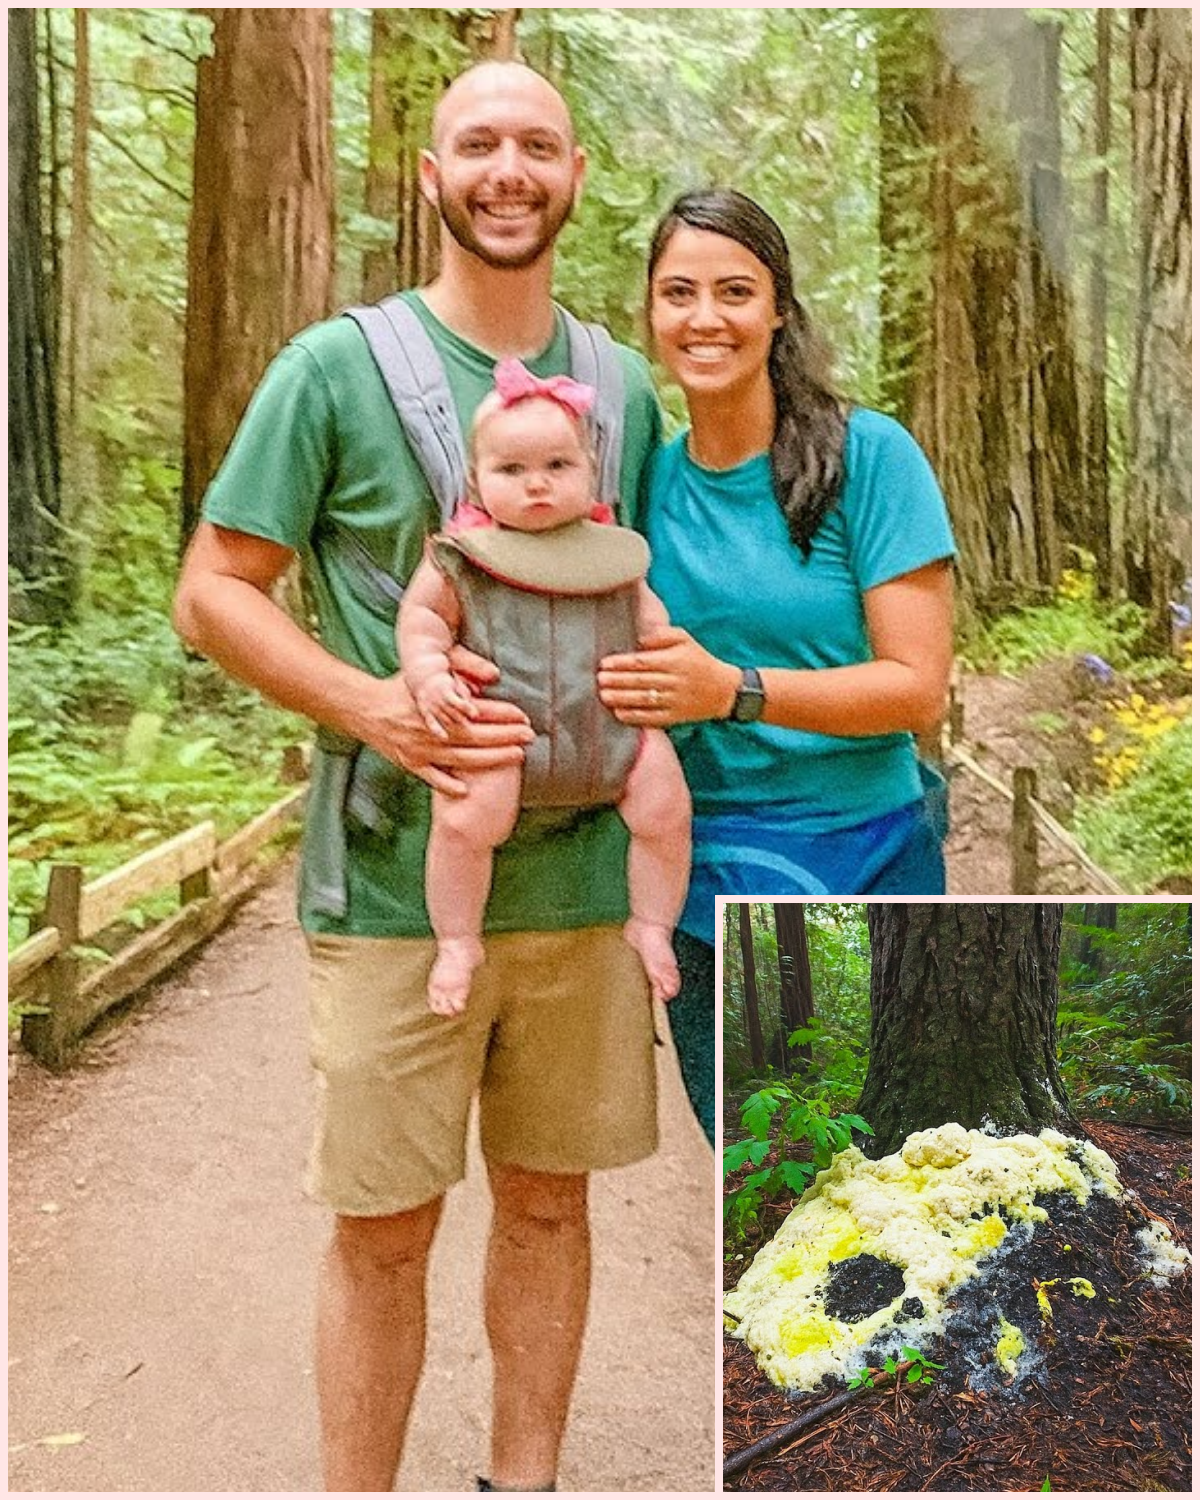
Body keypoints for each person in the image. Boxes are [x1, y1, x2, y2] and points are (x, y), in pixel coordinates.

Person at [174, 63, 667, 1494]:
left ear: (576, 176)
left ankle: (527, 1481)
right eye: (478, 145)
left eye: (535, 146)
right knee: (384, 1225)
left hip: (582, 881)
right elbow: (216, 590)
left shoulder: (622, 385)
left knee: (551, 1210)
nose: (507, 169)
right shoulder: (333, 370)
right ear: (434, 176)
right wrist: (372, 705)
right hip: (398, 880)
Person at [599, 188, 957, 1139]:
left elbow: (918, 689)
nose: (705, 318)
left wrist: (733, 691)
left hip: (872, 856)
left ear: (778, 310)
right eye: (678, 293)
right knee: (758, 1187)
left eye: (735, 291)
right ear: (650, 312)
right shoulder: (643, 486)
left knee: (896, 1164)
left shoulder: (868, 458)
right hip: (710, 887)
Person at [399, 357, 690, 1014]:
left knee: (667, 812)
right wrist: (428, 672)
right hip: (504, 735)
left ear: (590, 472)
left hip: (614, 730)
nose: (537, 485)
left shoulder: (612, 553)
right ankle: (457, 939)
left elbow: (650, 620)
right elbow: (420, 620)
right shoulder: (462, 558)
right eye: (512, 471)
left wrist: (664, 655)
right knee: (467, 822)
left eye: (558, 467)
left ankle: (651, 925)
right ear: (476, 481)